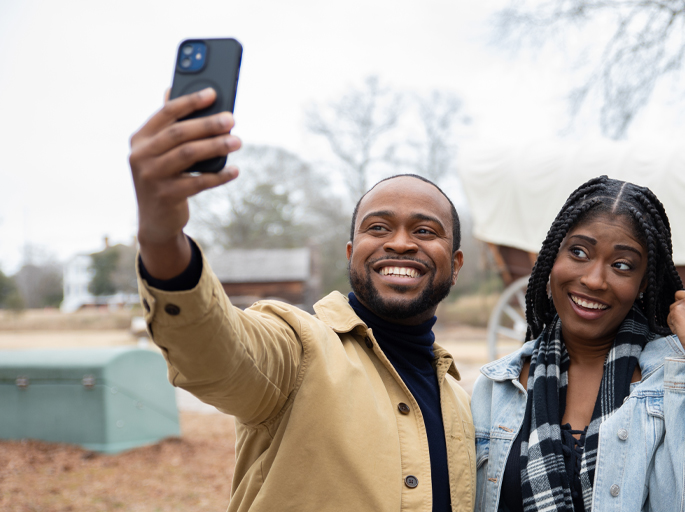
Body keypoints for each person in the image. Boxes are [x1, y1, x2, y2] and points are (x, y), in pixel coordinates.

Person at [128, 87, 475, 512]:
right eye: (379, 228)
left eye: (424, 231)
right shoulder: (298, 349)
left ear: (455, 264)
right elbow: (215, 350)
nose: (400, 244)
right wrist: (161, 236)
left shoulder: (462, 402)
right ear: (352, 254)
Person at [472, 176, 685, 512]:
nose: (594, 280)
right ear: (553, 257)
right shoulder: (496, 389)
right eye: (579, 252)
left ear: (643, 282)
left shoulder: (680, 384)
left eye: (621, 266)